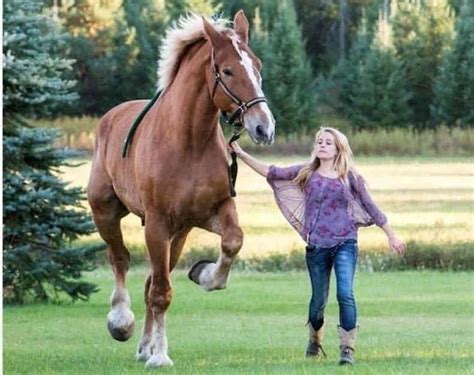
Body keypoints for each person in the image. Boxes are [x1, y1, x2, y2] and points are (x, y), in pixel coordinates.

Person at [229, 127, 406, 366]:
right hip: (317, 247)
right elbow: (271, 172)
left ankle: (347, 349)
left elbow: (370, 206)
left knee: (345, 294)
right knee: (318, 303)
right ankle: (314, 339)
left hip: (346, 242)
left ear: (337, 149)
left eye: (328, 143)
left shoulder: (349, 176)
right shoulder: (306, 172)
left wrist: (391, 235)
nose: (322, 145)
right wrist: (240, 153)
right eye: (319, 142)